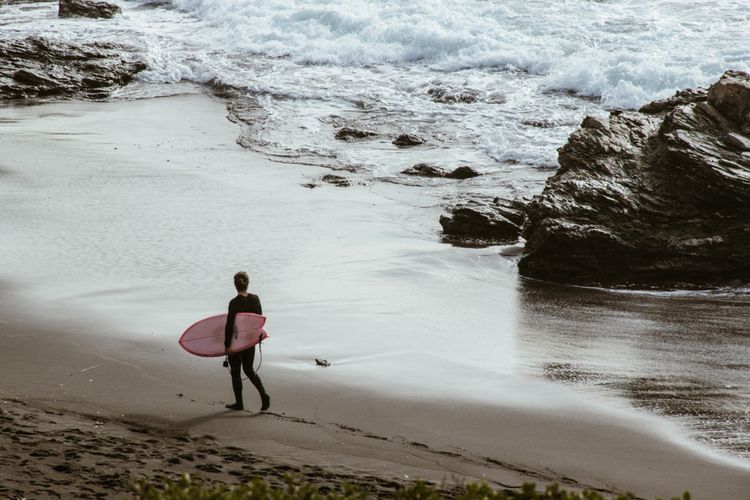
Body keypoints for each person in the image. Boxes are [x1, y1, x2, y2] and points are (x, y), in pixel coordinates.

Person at [224, 271, 270, 411]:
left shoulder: (234, 303)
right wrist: (257, 338)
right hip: (250, 341)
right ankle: (264, 396)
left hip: (237, 343)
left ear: (235, 285)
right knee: (249, 370)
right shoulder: (255, 299)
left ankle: (239, 403)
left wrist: (227, 345)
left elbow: (230, 325)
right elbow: (259, 321)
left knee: (236, 371)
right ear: (247, 283)